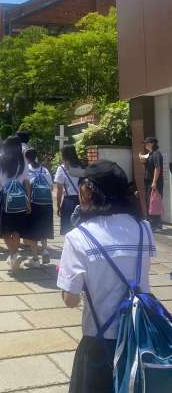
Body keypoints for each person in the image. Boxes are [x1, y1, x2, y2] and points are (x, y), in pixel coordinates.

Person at [57, 160, 155, 393]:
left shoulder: (78, 237)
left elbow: (70, 300)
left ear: (90, 192)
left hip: (100, 341)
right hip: (140, 337)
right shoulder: (144, 229)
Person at [0, 136, 32, 271]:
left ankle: (13, 253)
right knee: (16, 228)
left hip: (4, 197)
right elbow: (27, 182)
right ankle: (14, 255)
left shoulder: (0, 159)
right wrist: (28, 200)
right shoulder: (23, 161)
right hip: (20, 198)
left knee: (4, 229)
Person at [24, 147, 54, 267]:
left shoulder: (27, 170)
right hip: (47, 204)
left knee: (33, 233)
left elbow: (26, 187)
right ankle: (45, 250)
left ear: (26, 158)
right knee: (44, 229)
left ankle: (35, 259)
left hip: (34, 204)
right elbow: (51, 187)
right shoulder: (44, 170)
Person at [54, 145, 83, 235]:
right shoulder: (81, 167)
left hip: (69, 202)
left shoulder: (62, 169)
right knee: (80, 229)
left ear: (64, 155)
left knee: (68, 230)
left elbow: (59, 191)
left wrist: (58, 206)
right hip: (82, 201)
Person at [139, 136, 164, 231]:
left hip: (154, 183)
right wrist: (142, 161)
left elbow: (157, 168)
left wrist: (154, 182)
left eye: (147, 143)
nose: (145, 145)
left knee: (154, 202)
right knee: (150, 202)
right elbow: (147, 168)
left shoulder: (156, 154)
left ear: (152, 143)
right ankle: (155, 224)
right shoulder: (150, 154)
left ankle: (155, 225)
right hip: (148, 182)